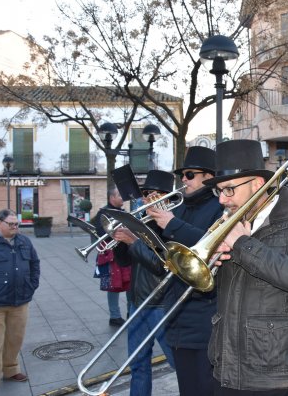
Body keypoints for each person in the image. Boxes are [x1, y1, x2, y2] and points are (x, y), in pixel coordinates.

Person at [206, 139, 288, 395]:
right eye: (219, 192)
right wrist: (211, 263)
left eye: (228, 190)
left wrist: (242, 244)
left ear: (257, 185)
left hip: (275, 372)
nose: (222, 200)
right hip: (227, 366)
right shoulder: (227, 224)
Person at [115, 146, 223, 396]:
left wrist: (171, 223)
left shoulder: (219, 208)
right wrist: (130, 240)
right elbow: (161, 262)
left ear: (208, 177)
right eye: (182, 175)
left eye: (189, 174)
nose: (183, 180)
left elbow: (211, 248)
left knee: (205, 386)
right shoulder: (180, 209)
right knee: (186, 386)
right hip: (176, 314)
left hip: (203, 314)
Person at [112, 170, 177, 396]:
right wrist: (121, 242)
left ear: (167, 197)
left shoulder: (173, 226)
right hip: (137, 303)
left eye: (154, 193)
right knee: (138, 365)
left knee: (178, 364)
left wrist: (134, 240)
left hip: (162, 304)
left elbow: (160, 265)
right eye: (146, 193)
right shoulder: (142, 221)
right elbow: (125, 261)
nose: (148, 197)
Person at [0, 209, 40, 396]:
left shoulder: (24, 241)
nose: (15, 227)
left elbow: (34, 264)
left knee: (15, 339)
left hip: (20, 301)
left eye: (17, 224)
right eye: (11, 224)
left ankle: (11, 369)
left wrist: (31, 285)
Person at [92, 187, 130, 327]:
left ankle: (131, 313)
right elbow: (101, 232)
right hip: (112, 255)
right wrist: (117, 232)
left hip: (127, 253)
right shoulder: (103, 214)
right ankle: (115, 316)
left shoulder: (124, 213)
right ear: (112, 198)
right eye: (120, 195)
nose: (123, 198)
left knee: (130, 284)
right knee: (113, 286)